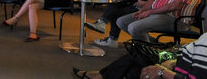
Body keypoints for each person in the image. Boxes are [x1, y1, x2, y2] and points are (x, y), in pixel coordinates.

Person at [72, 32, 207, 79]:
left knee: (140, 55)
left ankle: (101, 75)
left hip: (179, 63)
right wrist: (173, 60)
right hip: (178, 56)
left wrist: (161, 71)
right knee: (137, 62)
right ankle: (102, 75)